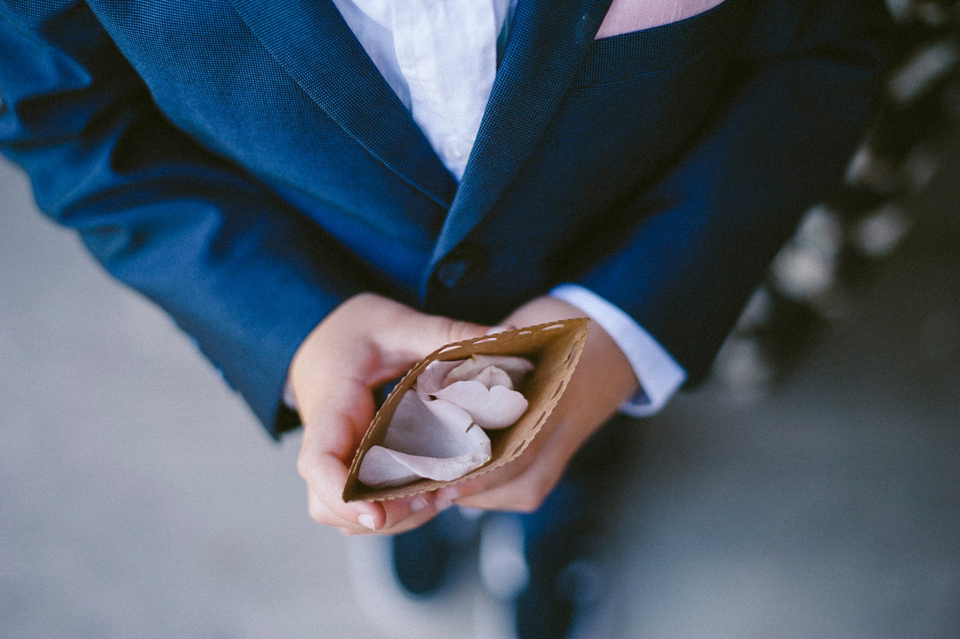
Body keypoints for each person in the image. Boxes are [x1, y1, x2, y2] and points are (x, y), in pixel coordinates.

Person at [0, 0, 890, 637]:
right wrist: (297, 326)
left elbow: (820, 47)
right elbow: (67, 120)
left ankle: (559, 516)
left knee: (583, 438)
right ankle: (444, 510)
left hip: (618, 255)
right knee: (399, 455)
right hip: (329, 275)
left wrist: (619, 331)